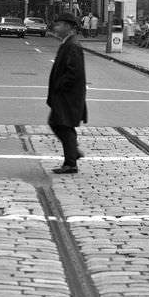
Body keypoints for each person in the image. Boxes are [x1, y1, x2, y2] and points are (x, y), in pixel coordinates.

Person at [47, 11, 87, 175]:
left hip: (68, 96)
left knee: (63, 125)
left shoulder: (72, 45)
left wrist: (59, 86)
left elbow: (74, 72)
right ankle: (73, 153)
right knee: (60, 124)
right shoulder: (68, 43)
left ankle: (71, 162)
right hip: (66, 96)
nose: (57, 27)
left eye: (60, 24)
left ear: (69, 27)